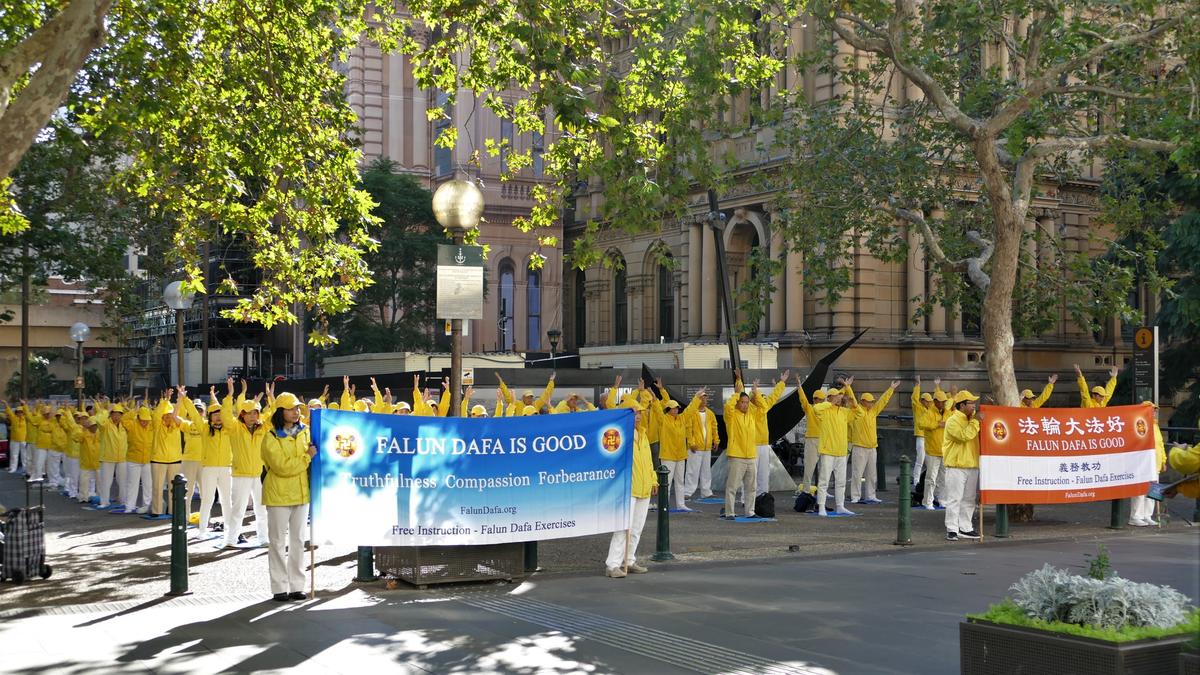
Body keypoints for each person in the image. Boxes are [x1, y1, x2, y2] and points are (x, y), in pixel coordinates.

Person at [261, 392, 316, 601]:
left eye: (297, 408)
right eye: (291, 408)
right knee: (276, 542)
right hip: (278, 495)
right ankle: (279, 587)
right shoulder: (271, 437)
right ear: (280, 411)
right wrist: (307, 458)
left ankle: (297, 586)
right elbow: (282, 467)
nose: (296, 412)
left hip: (301, 494)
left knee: (298, 541)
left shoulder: (306, 432)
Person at [605, 394, 655, 578]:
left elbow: (648, 462)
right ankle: (612, 565)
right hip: (628, 488)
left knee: (636, 529)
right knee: (623, 528)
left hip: (644, 487)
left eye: (640, 413)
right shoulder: (619, 436)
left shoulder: (643, 435)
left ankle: (629, 560)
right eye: (634, 413)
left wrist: (654, 479)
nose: (639, 416)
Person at [799, 376, 858, 516]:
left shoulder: (844, 412)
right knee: (824, 481)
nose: (839, 398)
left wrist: (848, 388)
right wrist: (831, 402)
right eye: (836, 396)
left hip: (841, 452)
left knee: (841, 481)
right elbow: (816, 408)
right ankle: (821, 507)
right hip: (827, 451)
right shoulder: (824, 411)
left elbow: (857, 410)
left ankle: (840, 505)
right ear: (830, 397)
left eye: (839, 396)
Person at [223, 378, 271, 547]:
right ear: (242, 414)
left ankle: (264, 538)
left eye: (255, 413)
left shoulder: (263, 427)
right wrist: (230, 396)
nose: (253, 416)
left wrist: (270, 398)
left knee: (262, 509)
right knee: (238, 510)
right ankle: (230, 539)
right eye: (249, 413)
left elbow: (273, 417)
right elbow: (226, 417)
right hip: (240, 474)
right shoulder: (235, 428)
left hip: (259, 474)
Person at [650, 379, 705, 511]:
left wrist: (697, 397)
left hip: (680, 455)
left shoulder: (682, 418)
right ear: (668, 409)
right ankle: (664, 505)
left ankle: (681, 504)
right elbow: (657, 410)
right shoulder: (663, 420)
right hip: (668, 456)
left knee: (680, 481)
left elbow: (691, 409)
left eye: (677, 408)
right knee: (666, 483)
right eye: (674, 408)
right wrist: (654, 398)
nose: (676, 410)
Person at [848, 380, 899, 504]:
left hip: (872, 448)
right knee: (857, 473)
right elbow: (853, 400)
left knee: (872, 474)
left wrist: (891, 389)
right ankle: (855, 496)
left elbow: (883, 401)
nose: (872, 403)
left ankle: (871, 495)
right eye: (869, 401)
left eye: (872, 401)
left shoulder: (873, 411)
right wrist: (848, 387)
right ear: (863, 401)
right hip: (859, 447)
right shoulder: (857, 410)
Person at [942, 390, 982, 541]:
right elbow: (963, 436)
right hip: (956, 466)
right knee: (954, 498)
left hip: (971, 465)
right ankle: (952, 528)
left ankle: (966, 527)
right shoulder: (953, 420)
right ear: (962, 405)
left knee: (969, 499)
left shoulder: (971, 419)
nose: (974, 405)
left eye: (974, 402)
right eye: (971, 403)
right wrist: (976, 421)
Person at [722, 375, 760, 519]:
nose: (745, 405)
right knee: (733, 486)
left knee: (751, 487)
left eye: (746, 402)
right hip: (737, 456)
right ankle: (729, 512)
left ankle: (750, 511)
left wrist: (755, 392)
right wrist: (737, 393)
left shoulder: (751, 415)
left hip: (751, 455)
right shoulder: (732, 416)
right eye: (742, 402)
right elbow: (728, 406)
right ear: (738, 402)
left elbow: (762, 406)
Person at [149, 392, 189, 517]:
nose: (168, 417)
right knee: (157, 487)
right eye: (165, 415)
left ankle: (173, 510)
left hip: (175, 460)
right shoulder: (157, 425)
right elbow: (156, 414)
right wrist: (165, 400)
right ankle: (157, 511)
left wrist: (179, 399)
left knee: (175, 489)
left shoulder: (177, 426)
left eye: (170, 415)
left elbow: (180, 412)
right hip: (158, 460)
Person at [751, 370, 789, 497]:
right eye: (759, 397)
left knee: (763, 472)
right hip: (752, 445)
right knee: (751, 474)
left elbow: (774, 396)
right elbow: (768, 400)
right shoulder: (749, 409)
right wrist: (754, 391)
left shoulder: (763, 407)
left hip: (764, 444)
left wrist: (782, 383)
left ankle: (763, 495)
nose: (763, 400)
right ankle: (748, 497)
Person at [1130, 402, 1167, 527]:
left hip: (1155, 463)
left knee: (1152, 491)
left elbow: (1160, 444)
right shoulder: (1139, 423)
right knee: (1140, 491)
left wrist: (1163, 460)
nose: (1154, 412)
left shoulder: (1155, 425)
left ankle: (1147, 515)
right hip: (1143, 463)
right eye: (1152, 410)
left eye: (1155, 410)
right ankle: (1136, 516)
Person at [683, 389, 719, 500]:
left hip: (707, 447)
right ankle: (688, 492)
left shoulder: (710, 413)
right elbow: (688, 429)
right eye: (702, 398)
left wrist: (716, 441)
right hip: (695, 447)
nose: (704, 400)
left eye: (705, 398)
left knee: (706, 471)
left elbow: (714, 428)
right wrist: (691, 443)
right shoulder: (692, 413)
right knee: (692, 470)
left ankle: (706, 492)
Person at [93, 400, 129, 509]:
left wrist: (126, 407)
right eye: (114, 414)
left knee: (123, 481)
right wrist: (107, 410)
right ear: (111, 415)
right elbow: (98, 420)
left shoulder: (124, 425)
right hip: (108, 457)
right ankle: (104, 502)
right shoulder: (106, 425)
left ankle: (123, 501)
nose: (117, 416)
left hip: (122, 457)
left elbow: (133, 416)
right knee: (106, 481)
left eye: (119, 414)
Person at [122, 402, 155, 514]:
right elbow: (123, 420)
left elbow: (158, 417)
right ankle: (129, 506)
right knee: (132, 484)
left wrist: (151, 410)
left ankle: (146, 505)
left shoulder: (152, 425)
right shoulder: (132, 424)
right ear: (138, 418)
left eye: (147, 420)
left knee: (148, 484)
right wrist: (133, 411)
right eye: (143, 420)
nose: (145, 422)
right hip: (133, 459)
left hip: (148, 460)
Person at [795, 389, 826, 494]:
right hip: (812, 439)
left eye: (823, 400)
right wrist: (799, 387)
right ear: (815, 399)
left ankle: (822, 491)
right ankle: (806, 491)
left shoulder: (825, 410)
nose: (821, 401)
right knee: (809, 468)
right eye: (820, 399)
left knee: (824, 468)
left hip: (823, 440)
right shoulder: (810, 408)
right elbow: (803, 400)